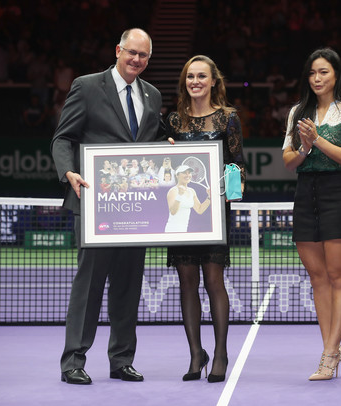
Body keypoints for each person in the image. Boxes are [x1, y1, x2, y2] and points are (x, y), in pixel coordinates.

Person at [50, 28, 165, 385]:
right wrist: (68, 170)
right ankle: (73, 361)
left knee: (129, 287)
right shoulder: (87, 86)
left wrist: (170, 147)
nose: (137, 60)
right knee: (89, 286)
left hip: (137, 210)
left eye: (143, 56)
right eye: (132, 52)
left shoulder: (153, 94)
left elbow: (151, 142)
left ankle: (121, 360)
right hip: (95, 205)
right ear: (118, 50)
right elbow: (63, 137)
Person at [282, 48, 341, 381]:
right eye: (313, 73)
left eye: (324, 73)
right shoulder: (297, 112)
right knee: (318, 278)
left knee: (338, 276)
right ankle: (331, 348)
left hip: (339, 193)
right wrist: (303, 148)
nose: (317, 79)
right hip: (306, 195)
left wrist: (316, 140)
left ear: (336, 76)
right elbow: (288, 162)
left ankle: (330, 354)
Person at [165, 55, 245, 383]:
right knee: (186, 283)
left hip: (213, 214)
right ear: (185, 82)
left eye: (202, 76)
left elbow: (238, 163)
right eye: (190, 77)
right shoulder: (172, 121)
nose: (195, 81)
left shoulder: (229, 119)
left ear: (214, 81)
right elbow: (163, 168)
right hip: (182, 216)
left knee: (214, 282)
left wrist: (229, 186)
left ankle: (221, 353)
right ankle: (196, 353)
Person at [164, 164, 211, 232]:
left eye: (189, 173)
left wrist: (209, 197)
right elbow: (173, 212)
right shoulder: (173, 191)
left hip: (184, 229)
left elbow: (199, 209)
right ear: (177, 175)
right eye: (184, 173)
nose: (187, 175)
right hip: (172, 230)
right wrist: (180, 195)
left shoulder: (192, 191)